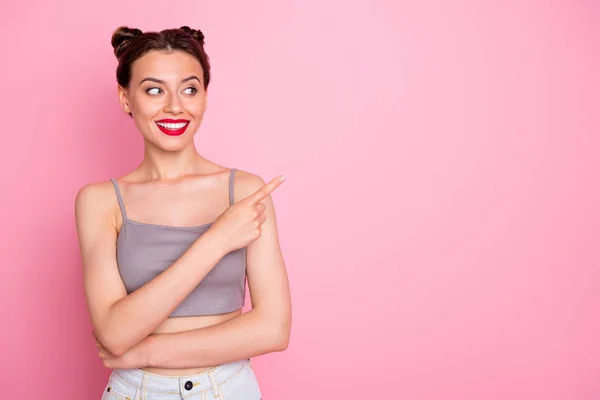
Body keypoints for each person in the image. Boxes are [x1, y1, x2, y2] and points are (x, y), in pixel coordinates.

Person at [74, 25, 291, 400]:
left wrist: (146, 352)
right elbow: (113, 332)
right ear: (126, 99)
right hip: (134, 392)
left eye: (189, 89)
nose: (175, 106)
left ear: (205, 97)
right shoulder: (99, 201)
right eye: (154, 90)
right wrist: (217, 239)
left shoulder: (244, 191)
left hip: (228, 389)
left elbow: (273, 329)